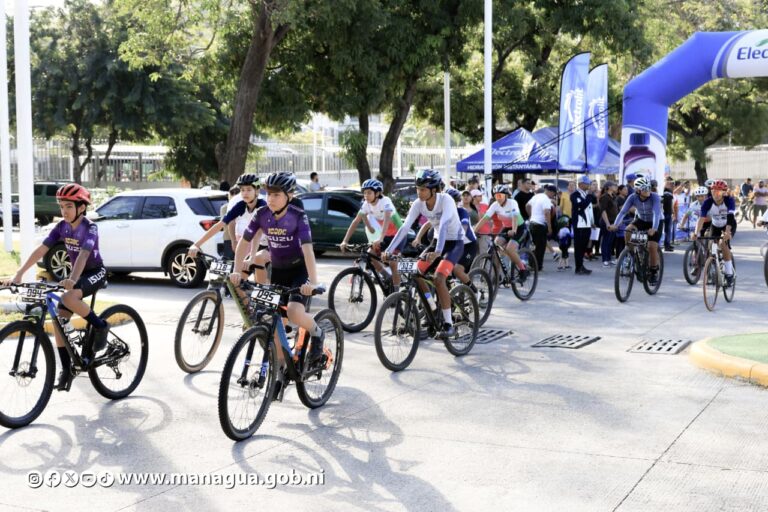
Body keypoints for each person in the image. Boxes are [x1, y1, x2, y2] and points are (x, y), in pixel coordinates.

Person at [2, 184, 108, 391]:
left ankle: (100, 326)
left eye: (69, 206)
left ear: (81, 207)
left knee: (68, 298)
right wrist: (19, 273)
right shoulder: (61, 227)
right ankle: (66, 368)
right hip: (74, 276)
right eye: (61, 206)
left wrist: (72, 279)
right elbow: (41, 249)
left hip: (94, 272)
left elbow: (85, 254)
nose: (64, 211)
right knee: (59, 318)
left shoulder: (90, 228)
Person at [230, 172, 326, 397]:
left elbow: (308, 250)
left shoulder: (297, 215)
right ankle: (282, 368)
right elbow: (244, 243)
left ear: (289, 195)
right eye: (268, 194)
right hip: (279, 270)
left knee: (293, 312)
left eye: (276, 195)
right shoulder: (262, 214)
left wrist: (312, 281)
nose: (270, 199)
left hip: (299, 271)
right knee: (273, 320)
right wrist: (237, 271)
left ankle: (317, 332)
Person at [383, 169, 463, 338]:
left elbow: (444, 224)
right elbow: (405, 227)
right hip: (436, 242)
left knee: (439, 278)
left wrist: (438, 252)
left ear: (434, 190)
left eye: (424, 189)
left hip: (454, 243)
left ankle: (448, 324)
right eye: (418, 188)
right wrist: (389, 250)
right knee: (416, 273)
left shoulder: (446, 200)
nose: (419, 192)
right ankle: (432, 308)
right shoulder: (418, 204)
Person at [189, 174, 266, 268]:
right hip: (252, 242)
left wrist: (252, 257)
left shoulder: (263, 206)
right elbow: (220, 224)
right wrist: (196, 245)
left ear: (257, 191)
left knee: (262, 273)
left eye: (249, 190)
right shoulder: (241, 205)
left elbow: (258, 233)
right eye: (242, 190)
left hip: (268, 243)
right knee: (239, 277)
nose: (245, 193)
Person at [340, 179, 404, 288]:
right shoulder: (366, 204)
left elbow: (387, 219)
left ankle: (396, 293)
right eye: (364, 193)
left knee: (393, 262)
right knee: (370, 255)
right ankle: (387, 276)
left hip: (398, 235)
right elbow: (356, 221)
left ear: (378, 193)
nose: (366, 195)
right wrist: (345, 240)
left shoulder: (385, 201)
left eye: (369, 192)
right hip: (386, 235)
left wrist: (381, 238)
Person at [609, 176, 663, 285]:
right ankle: (629, 251)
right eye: (644, 189)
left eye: (648, 188)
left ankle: (653, 272)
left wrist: (654, 229)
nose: (647, 191)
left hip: (655, 222)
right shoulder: (632, 197)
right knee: (628, 229)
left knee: (652, 246)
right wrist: (615, 225)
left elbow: (657, 214)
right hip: (642, 220)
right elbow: (623, 212)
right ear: (637, 190)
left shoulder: (655, 197)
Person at [473, 184, 527, 276]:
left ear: (505, 195)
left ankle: (522, 269)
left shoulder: (512, 203)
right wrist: (475, 230)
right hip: (506, 228)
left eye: (500, 195)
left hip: (518, 227)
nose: (498, 198)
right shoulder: (495, 205)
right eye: (496, 196)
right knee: (496, 246)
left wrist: (513, 230)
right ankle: (498, 275)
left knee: (509, 249)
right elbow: (485, 218)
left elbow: (514, 218)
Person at [694, 179, 736, 286]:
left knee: (723, 244)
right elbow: (701, 219)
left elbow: (731, 217)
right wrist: (696, 233)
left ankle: (729, 273)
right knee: (710, 245)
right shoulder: (708, 202)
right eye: (713, 191)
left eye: (718, 191)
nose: (715, 194)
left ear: (724, 192)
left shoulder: (729, 200)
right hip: (715, 225)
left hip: (728, 225)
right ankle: (712, 269)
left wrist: (727, 232)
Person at [526, 184, 556, 271]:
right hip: (540, 225)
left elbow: (527, 206)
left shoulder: (537, 196)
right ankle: (537, 266)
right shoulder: (546, 199)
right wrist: (549, 227)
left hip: (532, 223)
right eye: (553, 194)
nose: (553, 196)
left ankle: (531, 264)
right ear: (550, 192)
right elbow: (547, 213)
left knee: (534, 246)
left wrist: (531, 216)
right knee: (540, 247)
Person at [571, 175, 596, 275]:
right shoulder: (575, 195)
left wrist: (592, 221)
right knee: (579, 247)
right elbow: (581, 206)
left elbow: (589, 209)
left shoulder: (586, 194)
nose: (589, 185)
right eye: (587, 183)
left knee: (584, 246)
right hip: (579, 225)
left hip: (586, 225)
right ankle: (578, 267)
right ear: (581, 184)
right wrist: (590, 195)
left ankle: (581, 265)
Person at [599, 181, 618, 266]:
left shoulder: (613, 196)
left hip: (613, 222)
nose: (616, 187)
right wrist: (607, 223)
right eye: (614, 185)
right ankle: (605, 260)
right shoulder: (604, 197)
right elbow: (603, 211)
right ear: (609, 187)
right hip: (607, 222)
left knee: (610, 241)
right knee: (606, 240)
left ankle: (609, 258)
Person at [218, 186, 240, 260]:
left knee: (231, 260)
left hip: (231, 237)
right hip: (233, 237)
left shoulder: (225, 207)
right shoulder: (226, 207)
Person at [661, 177, 676, 251]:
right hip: (662, 213)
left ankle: (667, 245)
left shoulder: (670, 191)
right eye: (668, 182)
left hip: (668, 213)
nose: (670, 183)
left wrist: (673, 212)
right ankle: (658, 245)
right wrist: (665, 184)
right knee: (660, 230)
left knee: (668, 230)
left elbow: (671, 203)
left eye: (671, 182)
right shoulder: (661, 189)